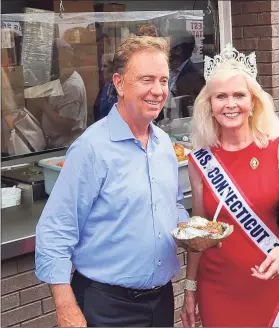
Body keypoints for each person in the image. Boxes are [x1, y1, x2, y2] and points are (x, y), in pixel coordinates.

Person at [35, 36, 189, 327]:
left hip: (161, 301)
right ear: (118, 83)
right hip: (107, 308)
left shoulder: (165, 145)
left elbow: (174, 204)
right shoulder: (91, 149)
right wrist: (65, 305)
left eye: (163, 80)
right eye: (146, 80)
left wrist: (188, 231)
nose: (158, 91)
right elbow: (55, 230)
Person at [180, 44, 279, 327]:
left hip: (275, 284)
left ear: (253, 103)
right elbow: (199, 231)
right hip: (218, 289)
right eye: (220, 96)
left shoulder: (278, 150)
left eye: (239, 95)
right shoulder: (200, 163)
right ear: (209, 105)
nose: (230, 104)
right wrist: (190, 286)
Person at [34, 38, 87, 148]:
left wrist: (43, 104)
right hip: (54, 144)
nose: (48, 60)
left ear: (60, 58)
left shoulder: (72, 86)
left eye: (52, 56)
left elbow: (65, 127)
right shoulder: (61, 77)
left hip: (65, 148)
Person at [167, 30, 205, 118]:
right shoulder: (169, 70)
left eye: (168, 47)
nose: (165, 50)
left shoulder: (194, 77)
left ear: (178, 50)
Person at [93, 53, 118, 121]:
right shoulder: (106, 87)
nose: (102, 69)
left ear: (113, 68)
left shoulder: (119, 88)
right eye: (102, 66)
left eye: (105, 66)